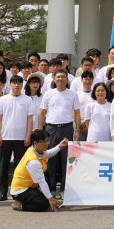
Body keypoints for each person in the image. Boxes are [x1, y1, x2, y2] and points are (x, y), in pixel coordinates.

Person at [38, 69, 81, 199]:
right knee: (51, 160)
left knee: (65, 160)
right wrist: (41, 130)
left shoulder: (73, 94)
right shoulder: (48, 94)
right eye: (58, 77)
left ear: (67, 79)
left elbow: (77, 113)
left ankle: (64, 188)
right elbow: (41, 113)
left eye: (63, 77)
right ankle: (51, 189)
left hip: (66, 128)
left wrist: (77, 130)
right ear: (54, 79)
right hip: (50, 129)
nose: (61, 79)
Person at [10, 130, 68, 212]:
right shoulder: (33, 162)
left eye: (47, 140)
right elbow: (42, 182)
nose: (46, 143)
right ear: (35, 143)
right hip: (20, 191)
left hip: (30, 186)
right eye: (43, 141)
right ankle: (20, 205)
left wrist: (60, 146)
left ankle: (48, 198)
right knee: (43, 204)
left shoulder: (36, 150)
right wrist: (50, 199)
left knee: (45, 173)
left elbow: (48, 153)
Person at [0, 75, 33, 201]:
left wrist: (28, 136)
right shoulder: (3, 99)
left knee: (20, 167)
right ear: (10, 85)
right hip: (5, 137)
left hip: (21, 138)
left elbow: (29, 119)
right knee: (3, 166)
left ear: (22, 85)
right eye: (14, 83)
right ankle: (3, 192)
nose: (16, 85)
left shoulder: (28, 100)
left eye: (19, 83)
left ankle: (18, 192)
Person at [76, 70, 95, 141]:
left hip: (92, 125)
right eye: (85, 79)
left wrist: (87, 125)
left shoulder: (95, 94)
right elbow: (74, 111)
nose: (87, 81)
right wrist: (80, 124)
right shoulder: (77, 94)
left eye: (90, 79)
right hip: (78, 125)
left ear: (92, 80)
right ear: (81, 80)